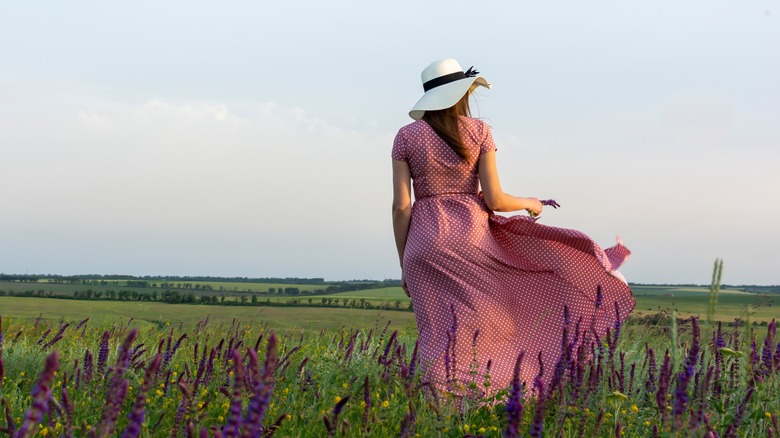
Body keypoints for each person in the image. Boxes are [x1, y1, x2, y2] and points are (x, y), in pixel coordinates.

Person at [391, 58, 635, 400]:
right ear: (462, 94)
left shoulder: (405, 137)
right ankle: (493, 395)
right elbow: (494, 199)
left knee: (436, 329)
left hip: (423, 244)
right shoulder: (479, 132)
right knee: (491, 320)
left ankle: (440, 406)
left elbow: (402, 207)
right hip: (471, 239)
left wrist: (404, 262)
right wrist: (531, 202)